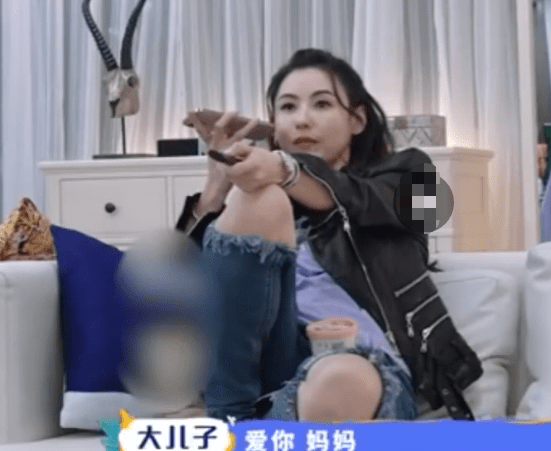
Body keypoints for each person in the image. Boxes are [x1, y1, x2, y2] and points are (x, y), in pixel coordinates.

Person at [177, 48, 482, 422]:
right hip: (263, 364)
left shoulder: (410, 174)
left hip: (359, 361)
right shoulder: (259, 204)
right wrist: (214, 192)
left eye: (322, 104)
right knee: (261, 200)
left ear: (357, 120)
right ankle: (230, 418)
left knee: (340, 379)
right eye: (287, 108)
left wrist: (286, 170)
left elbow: (382, 201)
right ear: (273, 125)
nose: (301, 120)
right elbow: (182, 294)